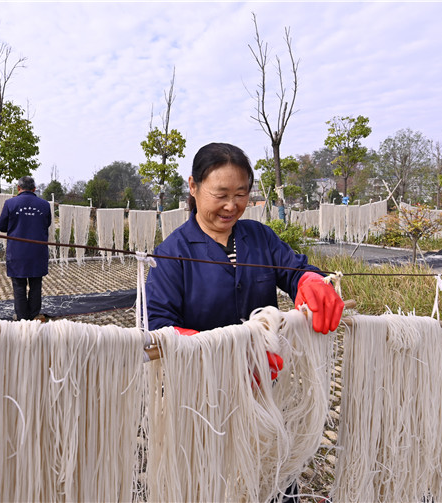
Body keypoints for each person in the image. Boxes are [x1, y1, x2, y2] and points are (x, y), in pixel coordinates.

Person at [145, 142, 343, 501]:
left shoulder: (259, 238)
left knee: (272, 476)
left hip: (264, 389)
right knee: (212, 483)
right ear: (193, 187)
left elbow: (295, 269)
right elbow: (161, 328)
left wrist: (311, 282)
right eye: (220, 193)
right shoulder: (172, 253)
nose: (231, 205)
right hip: (203, 398)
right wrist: (231, 353)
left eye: (241, 194)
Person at [0, 176, 52, 321]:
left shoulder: (10, 203)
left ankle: (22, 319)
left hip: (17, 252)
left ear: (18, 188)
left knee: (19, 286)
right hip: (38, 251)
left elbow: (1, 226)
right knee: (36, 285)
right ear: (34, 189)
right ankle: (34, 316)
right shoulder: (45, 205)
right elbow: (47, 224)